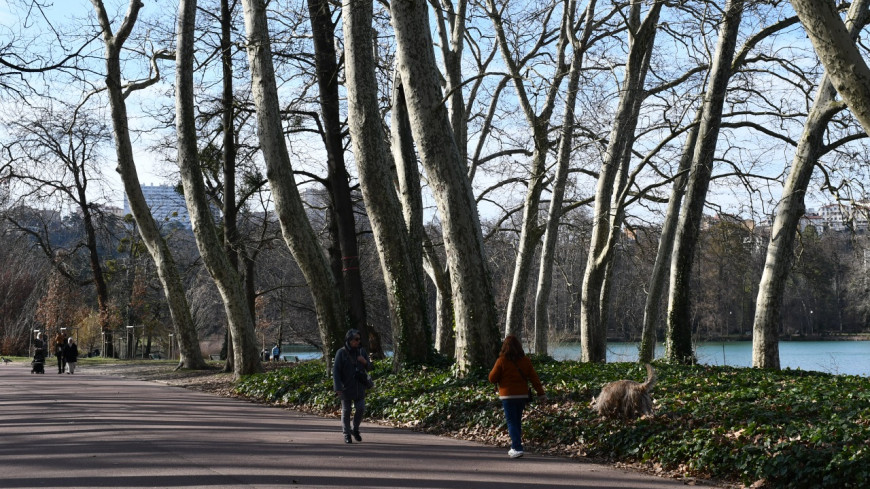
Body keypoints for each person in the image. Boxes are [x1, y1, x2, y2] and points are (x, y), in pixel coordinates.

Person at [488, 335, 546, 459]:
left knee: (511, 422)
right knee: (517, 421)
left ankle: (517, 447)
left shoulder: (501, 361)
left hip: (507, 396)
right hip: (522, 395)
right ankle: (515, 446)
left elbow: (492, 378)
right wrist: (541, 393)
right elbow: (534, 378)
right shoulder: (525, 360)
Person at [332, 329, 371, 444]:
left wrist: (364, 362)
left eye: (359, 339)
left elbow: (370, 367)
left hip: (359, 386)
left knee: (361, 408)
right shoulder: (341, 353)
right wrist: (338, 388)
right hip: (346, 387)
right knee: (346, 410)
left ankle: (355, 429)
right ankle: (347, 434)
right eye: (356, 339)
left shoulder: (362, 351)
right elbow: (336, 372)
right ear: (349, 340)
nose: (358, 341)